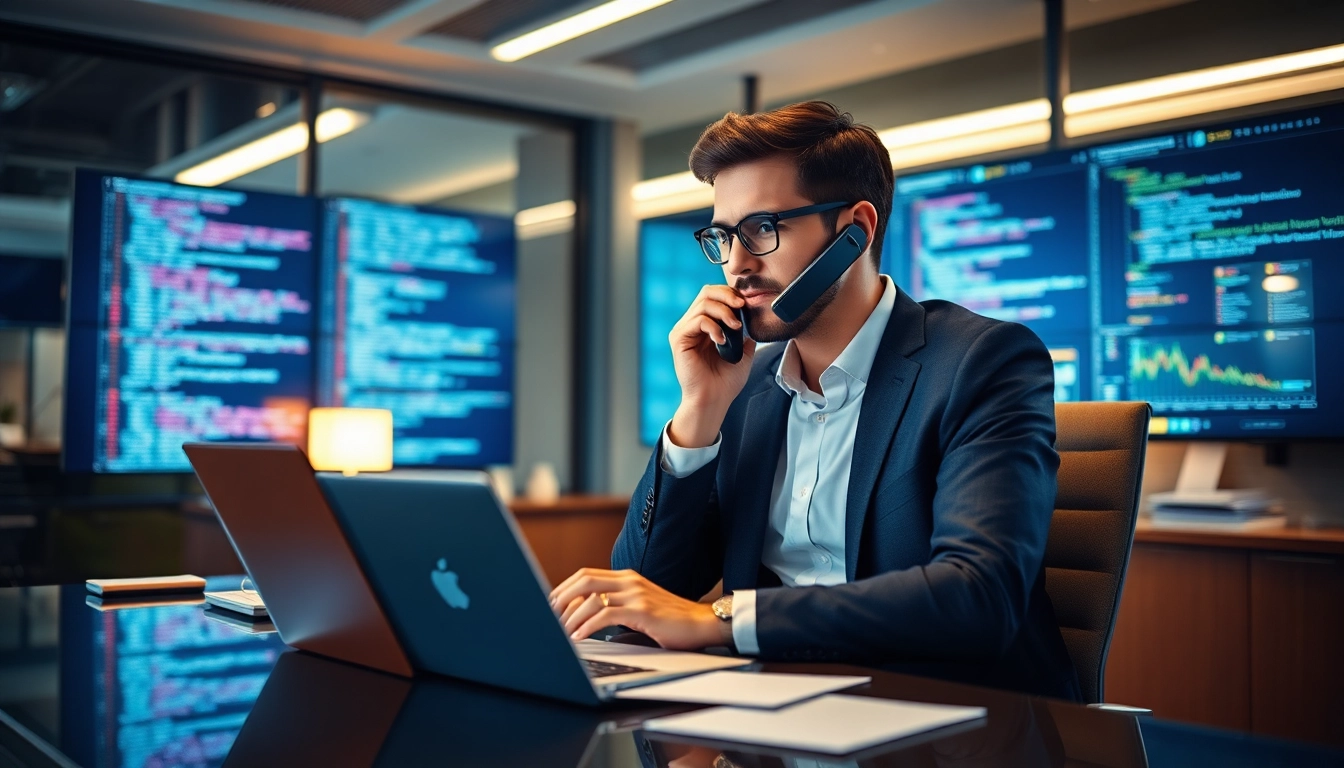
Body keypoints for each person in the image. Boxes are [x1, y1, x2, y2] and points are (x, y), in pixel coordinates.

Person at [548, 101, 1080, 700]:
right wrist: (698, 413)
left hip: (949, 719)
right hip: (776, 712)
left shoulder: (982, 362)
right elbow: (644, 592)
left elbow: (978, 597)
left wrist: (722, 619)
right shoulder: (747, 387)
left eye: (763, 230)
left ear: (856, 229)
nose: (737, 265)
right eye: (724, 237)